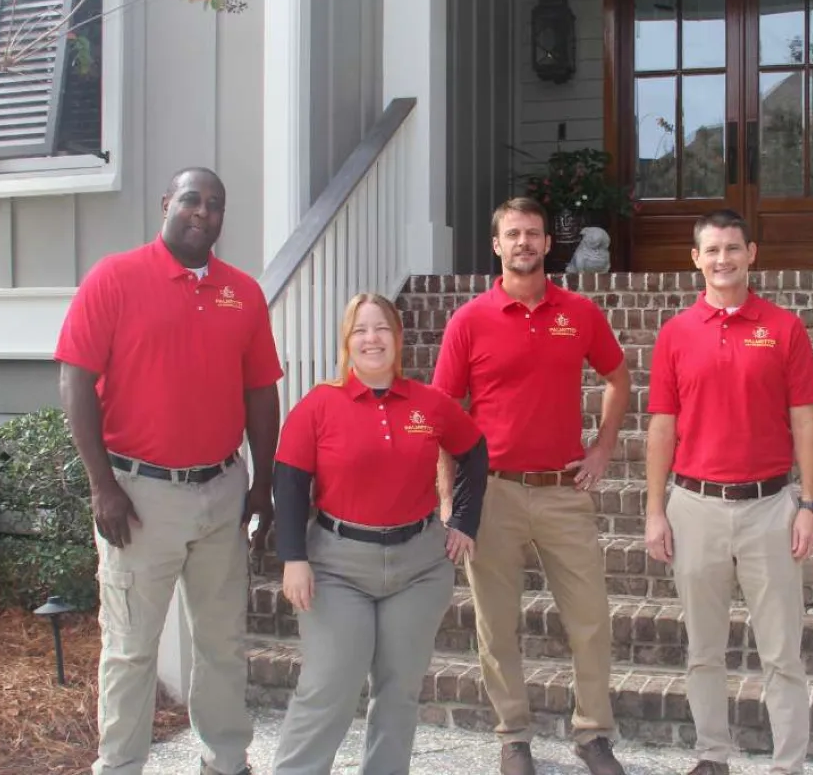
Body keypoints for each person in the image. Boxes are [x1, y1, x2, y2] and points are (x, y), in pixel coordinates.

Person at [56, 167, 281, 775]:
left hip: (221, 490)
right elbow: (75, 379)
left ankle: (225, 761)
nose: (202, 212)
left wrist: (261, 486)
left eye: (214, 203)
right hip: (139, 497)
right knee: (131, 649)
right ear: (166, 203)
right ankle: (121, 766)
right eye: (190, 199)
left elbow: (262, 394)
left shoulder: (243, 293)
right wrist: (103, 486)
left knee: (222, 644)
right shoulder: (116, 277)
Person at [431, 197, 631, 775]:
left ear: (548, 245)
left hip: (563, 490)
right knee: (497, 623)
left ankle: (593, 733)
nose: (524, 242)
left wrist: (602, 448)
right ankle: (513, 735)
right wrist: (450, 501)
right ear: (496, 245)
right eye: (513, 234)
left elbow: (618, 378)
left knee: (590, 618)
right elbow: (445, 414)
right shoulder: (469, 321)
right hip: (490, 492)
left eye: (534, 234)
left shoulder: (580, 313)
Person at [271, 292, 488, 775]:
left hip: (418, 567)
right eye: (360, 330)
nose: (372, 339)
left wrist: (463, 522)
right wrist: (293, 558)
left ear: (399, 338)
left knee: (399, 692)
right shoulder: (318, 406)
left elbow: (474, 451)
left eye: (382, 328)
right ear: (347, 342)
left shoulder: (428, 404)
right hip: (337, 567)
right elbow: (288, 483)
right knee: (329, 685)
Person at [643, 209, 813, 775]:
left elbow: (805, 422)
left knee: (781, 653)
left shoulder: (785, 328)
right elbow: (662, 428)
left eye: (733, 249)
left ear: (751, 255)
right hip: (694, 507)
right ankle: (711, 755)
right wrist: (655, 510)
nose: (723, 260)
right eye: (712, 250)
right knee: (703, 649)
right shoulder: (674, 335)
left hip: (772, 507)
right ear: (695, 259)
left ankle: (788, 763)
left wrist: (810, 506)